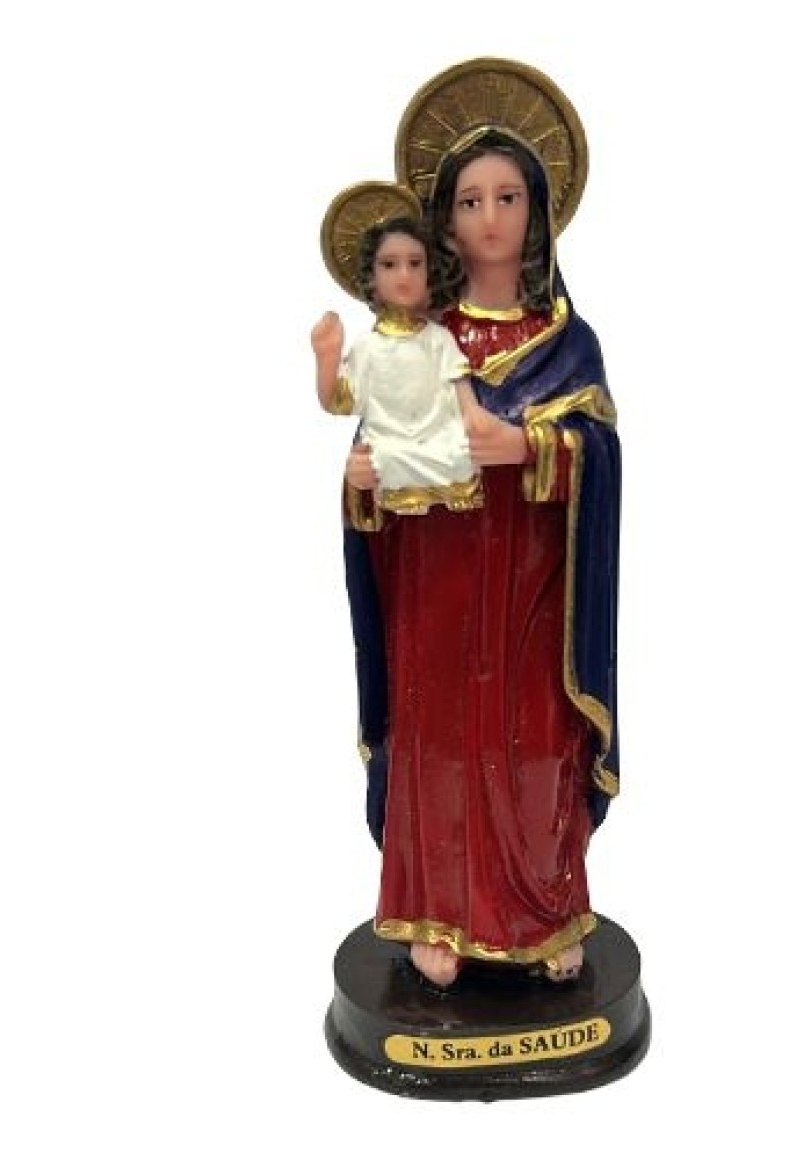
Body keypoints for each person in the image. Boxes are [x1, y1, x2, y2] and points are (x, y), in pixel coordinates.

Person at [337, 114, 621, 988]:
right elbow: (378, 440)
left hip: (534, 580)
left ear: (538, 211)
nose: (490, 217)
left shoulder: (567, 342)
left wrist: (532, 447)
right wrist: (360, 483)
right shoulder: (421, 335)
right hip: (440, 575)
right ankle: (437, 912)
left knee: (535, 736)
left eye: (507, 197)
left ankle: (544, 906)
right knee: (441, 737)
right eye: (469, 201)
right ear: (444, 221)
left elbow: (604, 455)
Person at [311, 214, 482, 518]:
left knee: (462, 454)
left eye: (415, 263)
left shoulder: (439, 338)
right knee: (381, 460)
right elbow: (338, 402)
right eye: (389, 265)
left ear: (429, 273)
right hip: (391, 442)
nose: (404, 275)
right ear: (372, 279)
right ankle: (405, 494)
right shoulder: (368, 346)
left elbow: (461, 392)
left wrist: (476, 423)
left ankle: (453, 489)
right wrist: (328, 357)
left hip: (438, 438)